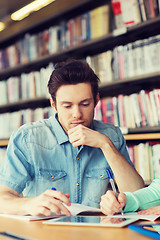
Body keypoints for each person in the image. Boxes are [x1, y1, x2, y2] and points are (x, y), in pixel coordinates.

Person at [0, 59, 144, 216]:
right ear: (53, 104)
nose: (77, 114)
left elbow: (138, 195)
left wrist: (105, 145)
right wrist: (29, 204)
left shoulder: (112, 136)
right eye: (67, 106)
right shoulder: (27, 138)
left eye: (85, 104)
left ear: (96, 101)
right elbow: (3, 198)